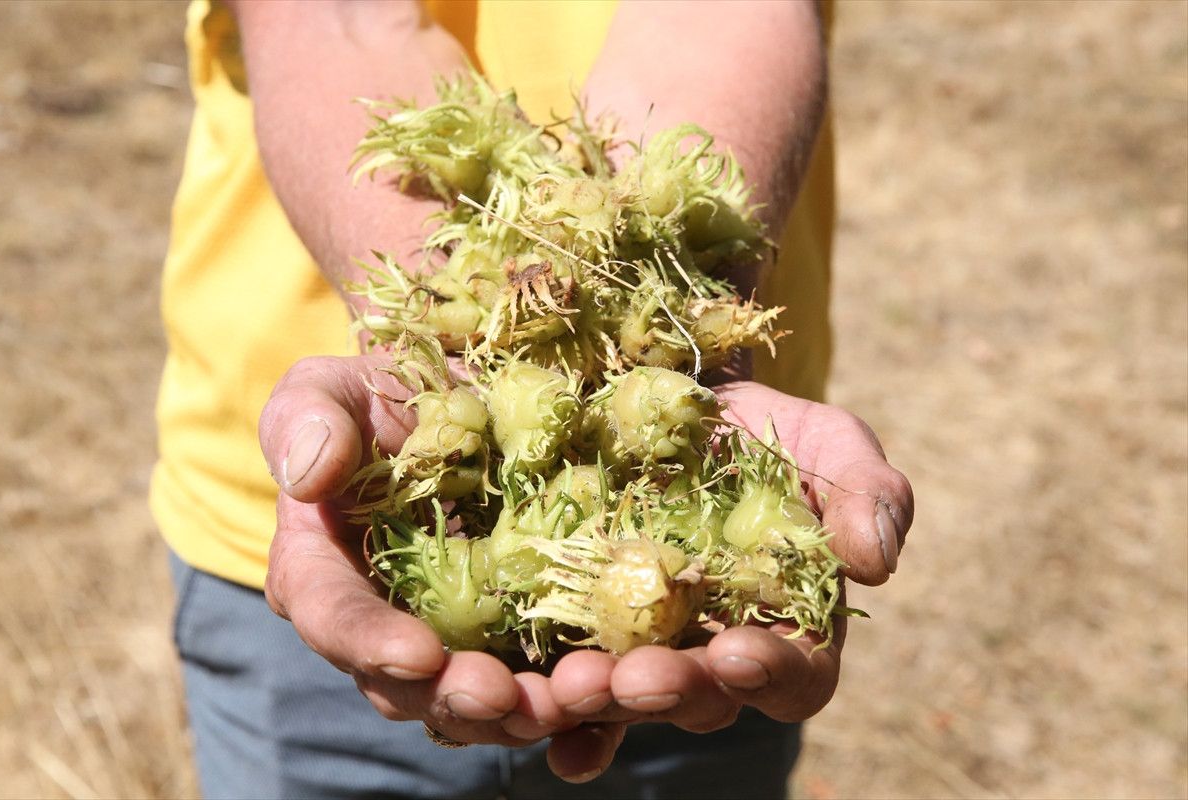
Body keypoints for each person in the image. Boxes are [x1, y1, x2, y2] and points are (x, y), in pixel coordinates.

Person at [154, 1, 914, 798]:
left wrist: (681, 269)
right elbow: (335, 18)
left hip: (717, 614)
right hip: (328, 527)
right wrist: (423, 313)